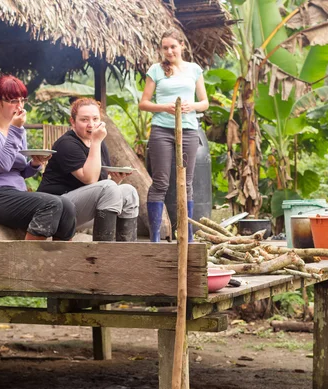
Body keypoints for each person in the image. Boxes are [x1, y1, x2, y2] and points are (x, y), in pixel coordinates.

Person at [0, 75, 76, 241]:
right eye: (13, 101)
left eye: (22, 100)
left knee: (68, 207)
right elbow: (2, 165)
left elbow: (20, 171)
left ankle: (62, 262)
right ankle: (29, 262)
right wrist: (15, 130)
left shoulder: (19, 130)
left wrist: (35, 163)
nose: (19, 106)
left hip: (14, 192)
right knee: (52, 204)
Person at [139, 28, 209, 242]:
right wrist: (164, 107)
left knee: (186, 183)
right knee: (160, 182)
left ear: (182, 46)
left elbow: (204, 103)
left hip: (188, 129)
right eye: (165, 48)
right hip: (161, 130)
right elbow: (144, 103)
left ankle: (186, 235)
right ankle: (155, 237)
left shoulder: (194, 70)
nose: (169, 51)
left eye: (173, 47)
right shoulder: (156, 70)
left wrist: (191, 106)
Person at [37, 98, 139, 241]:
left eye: (95, 119)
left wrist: (116, 179)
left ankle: (126, 251)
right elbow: (89, 179)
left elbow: (101, 185)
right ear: (72, 121)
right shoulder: (67, 144)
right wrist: (96, 141)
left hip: (81, 208)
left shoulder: (99, 144)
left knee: (129, 192)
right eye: (84, 120)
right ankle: (102, 253)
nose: (91, 124)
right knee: (109, 187)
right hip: (56, 209)